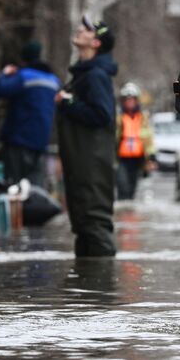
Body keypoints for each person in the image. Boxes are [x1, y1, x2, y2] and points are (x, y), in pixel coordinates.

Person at [55, 16, 118, 257]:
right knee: (83, 226)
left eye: (87, 30)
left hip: (92, 166)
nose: (80, 30)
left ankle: (103, 290)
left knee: (94, 224)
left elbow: (102, 115)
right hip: (82, 164)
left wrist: (68, 102)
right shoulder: (85, 74)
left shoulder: (96, 75)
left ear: (96, 43)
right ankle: (87, 289)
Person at [0, 41, 60, 186]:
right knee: (35, 188)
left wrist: (4, 74)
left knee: (14, 188)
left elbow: (1, 90)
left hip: (19, 139)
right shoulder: (54, 81)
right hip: (42, 141)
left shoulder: (23, 76)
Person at [115, 82, 156, 200]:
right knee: (122, 185)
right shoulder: (119, 118)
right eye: (127, 100)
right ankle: (123, 210)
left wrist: (151, 155)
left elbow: (148, 138)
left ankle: (128, 212)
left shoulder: (143, 118)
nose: (130, 102)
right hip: (122, 158)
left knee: (132, 186)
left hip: (137, 158)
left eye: (132, 99)